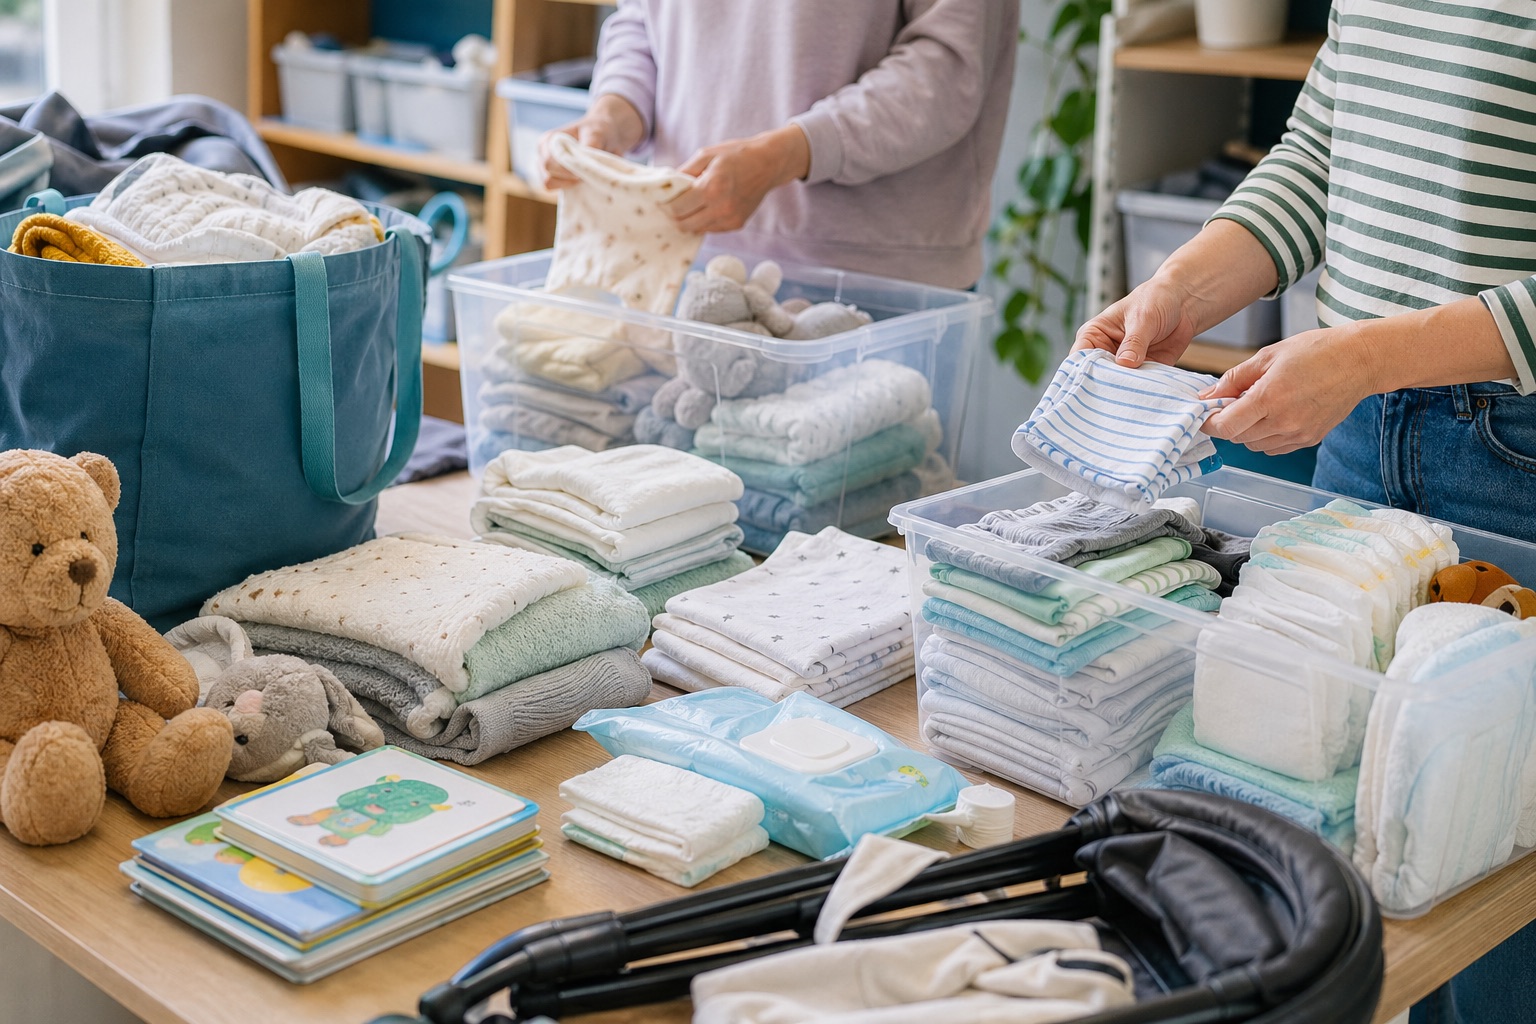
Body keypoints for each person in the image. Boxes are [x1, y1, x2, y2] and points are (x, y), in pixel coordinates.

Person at [1074, 2, 1536, 1020]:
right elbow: (1322, 152)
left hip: (1513, 453)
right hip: (1358, 435)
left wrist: (1368, 355)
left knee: (1497, 877)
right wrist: (1185, 288)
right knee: (1339, 824)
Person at [538, 0, 1020, 290]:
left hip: (873, 279)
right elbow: (644, 17)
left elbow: (948, 65)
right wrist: (616, 111)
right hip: (681, 254)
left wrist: (783, 155)